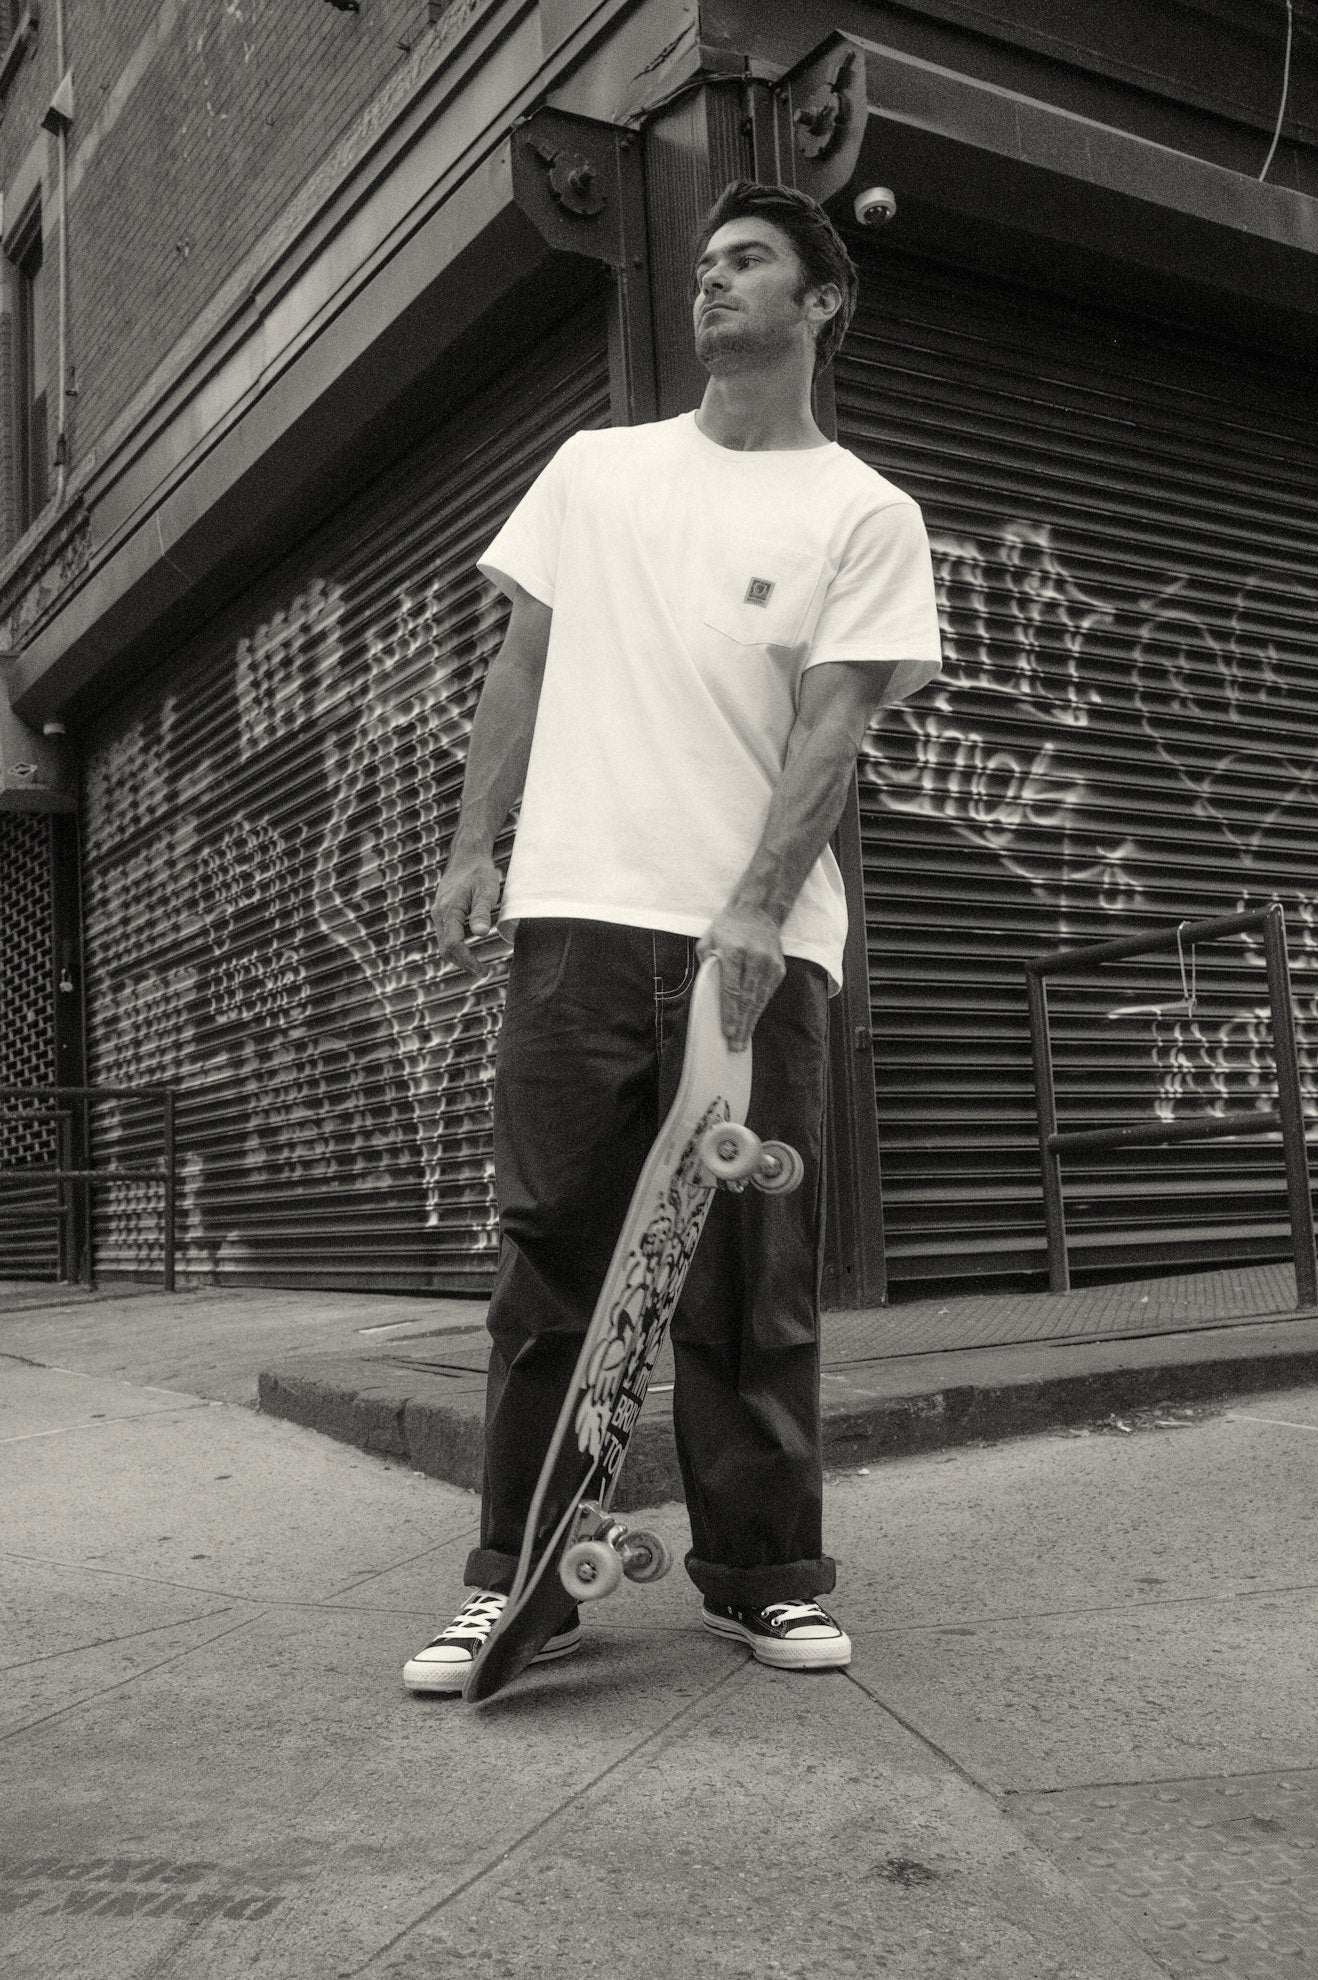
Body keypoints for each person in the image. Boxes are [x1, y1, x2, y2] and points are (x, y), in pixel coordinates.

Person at [403, 179, 942, 1694]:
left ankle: (763, 1579)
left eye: (748, 262)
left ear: (820, 302)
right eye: (703, 263)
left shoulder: (863, 511)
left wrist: (758, 906)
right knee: (551, 1264)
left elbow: (832, 727)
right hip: (578, 920)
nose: (711, 281)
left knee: (749, 1275)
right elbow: (520, 667)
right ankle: (518, 1581)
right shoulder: (596, 470)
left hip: (756, 946)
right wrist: (472, 845)